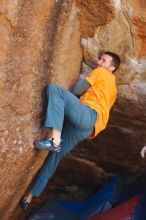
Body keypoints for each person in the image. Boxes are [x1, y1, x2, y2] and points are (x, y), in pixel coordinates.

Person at [20, 51, 121, 208]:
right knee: (55, 157)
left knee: (55, 90)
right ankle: (30, 195)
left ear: (112, 67)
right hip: (88, 127)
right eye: (100, 59)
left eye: (104, 60)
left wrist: (84, 77)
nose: (99, 62)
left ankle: (54, 139)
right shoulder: (113, 89)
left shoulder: (100, 72)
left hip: (87, 114)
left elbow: (76, 90)